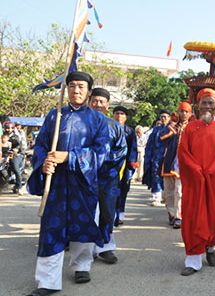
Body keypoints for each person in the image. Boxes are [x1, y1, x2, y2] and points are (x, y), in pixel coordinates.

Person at [26, 71, 110, 296]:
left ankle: (82, 265)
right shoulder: (55, 116)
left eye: (81, 86)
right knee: (50, 230)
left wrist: (69, 157)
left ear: (89, 91)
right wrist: (44, 163)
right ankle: (47, 281)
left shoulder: (99, 120)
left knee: (82, 225)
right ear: (67, 89)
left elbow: (101, 152)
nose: (76, 90)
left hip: (82, 182)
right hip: (56, 183)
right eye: (72, 86)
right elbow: (42, 144)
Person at [178, 88, 215, 276]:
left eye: (211, 103)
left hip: (214, 182)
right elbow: (183, 154)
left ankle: (210, 248)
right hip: (195, 182)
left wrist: (213, 170)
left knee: (214, 217)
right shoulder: (189, 129)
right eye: (204, 102)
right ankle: (193, 260)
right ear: (198, 105)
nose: (207, 106)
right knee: (194, 218)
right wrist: (195, 170)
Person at [89, 88, 127, 264]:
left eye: (101, 102)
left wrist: (103, 162)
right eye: (94, 100)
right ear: (89, 101)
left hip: (107, 177)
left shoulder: (114, 127)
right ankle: (85, 248)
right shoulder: (80, 122)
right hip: (83, 177)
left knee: (107, 212)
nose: (97, 104)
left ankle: (106, 247)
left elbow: (121, 151)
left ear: (107, 105)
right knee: (85, 212)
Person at [159, 102, 192, 229]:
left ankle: (179, 216)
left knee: (179, 191)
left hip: (184, 164)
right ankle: (172, 215)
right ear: (177, 112)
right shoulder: (172, 127)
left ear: (190, 114)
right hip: (169, 162)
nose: (183, 114)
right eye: (181, 111)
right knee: (168, 192)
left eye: (186, 112)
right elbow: (161, 138)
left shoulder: (192, 128)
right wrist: (171, 126)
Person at [113, 106, 138, 226]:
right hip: (111, 165)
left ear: (126, 117)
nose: (119, 116)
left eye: (122, 114)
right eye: (117, 113)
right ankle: (110, 216)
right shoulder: (107, 128)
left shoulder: (130, 132)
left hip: (125, 165)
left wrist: (131, 166)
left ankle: (120, 215)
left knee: (123, 190)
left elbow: (133, 149)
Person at [143, 110, 171, 206]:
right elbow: (150, 144)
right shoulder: (156, 130)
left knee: (167, 178)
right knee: (155, 176)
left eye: (165, 117)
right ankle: (156, 198)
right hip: (156, 157)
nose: (163, 119)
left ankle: (166, 197)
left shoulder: (173, 129)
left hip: (168, 158)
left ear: (169, 118)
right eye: (161, 117)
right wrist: (149, 156)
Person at [3, 122, 25, 195]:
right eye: (6, 128)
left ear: (12, 128)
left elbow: (19, 145)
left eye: (9, 128)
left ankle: (19, 187)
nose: (8, 129)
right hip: (3, 154)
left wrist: (16, 149)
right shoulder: (2, 135)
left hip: (13, 155)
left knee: (16, 169)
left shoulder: (15, 136)